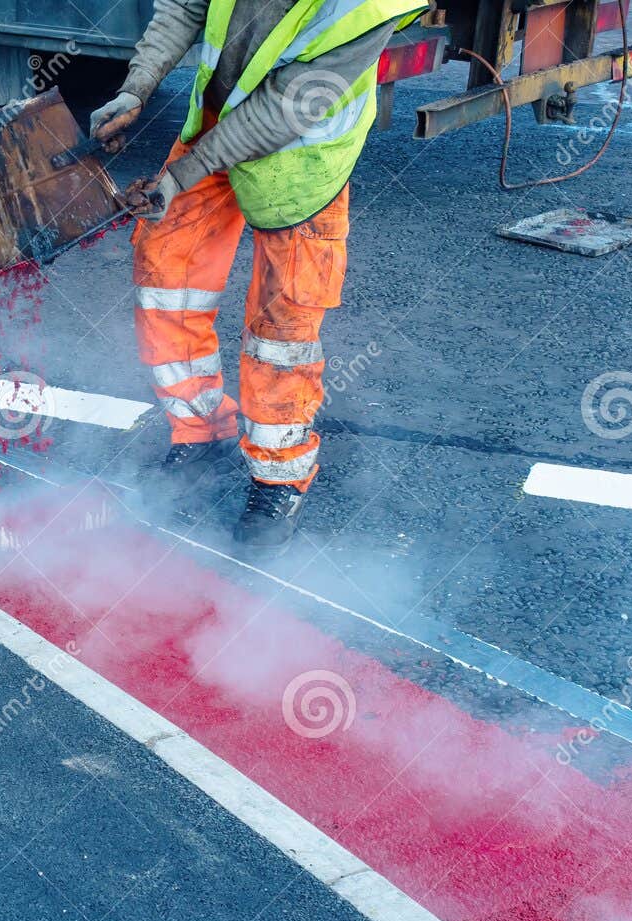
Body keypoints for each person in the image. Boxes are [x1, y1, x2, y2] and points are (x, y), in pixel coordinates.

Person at [91, 0, 426, 549]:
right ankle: (202, 431)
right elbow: (187, 4)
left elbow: (282, 108)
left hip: (302, 158)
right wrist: (137, 87)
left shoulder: (367, 7)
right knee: (165, 271)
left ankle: (279, 478)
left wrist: (184, 172)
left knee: (281, 330)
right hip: (219, 125)